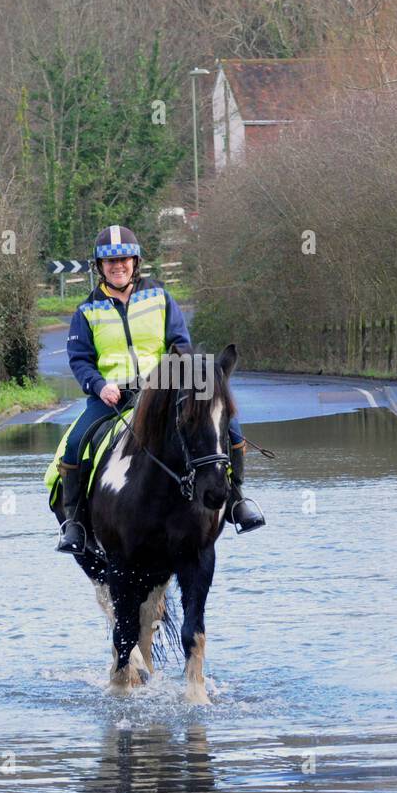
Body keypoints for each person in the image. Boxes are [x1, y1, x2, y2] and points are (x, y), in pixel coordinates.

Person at [55, 225, 265, 554]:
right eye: (110, 262)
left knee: (232, 430)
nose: (117, 266)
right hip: (113, 397)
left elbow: (180, 344)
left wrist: (178, 379)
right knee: (75, 444)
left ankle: (237, 501)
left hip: (162, 392)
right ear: (100, 267)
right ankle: (76, 524)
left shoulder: (160, 298)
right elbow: (80, 359)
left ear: (135, 262)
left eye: (123, 259)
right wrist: (98, 385)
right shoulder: (86, 311)